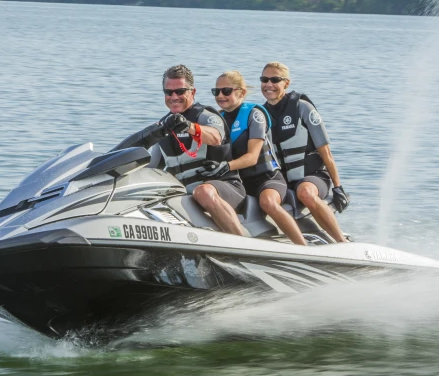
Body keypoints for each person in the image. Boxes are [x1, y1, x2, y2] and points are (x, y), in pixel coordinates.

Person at [150, 64, 246, 236]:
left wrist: (189, 127)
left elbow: (215, 136)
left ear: (191, 92)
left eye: (180, 91)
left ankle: (244, 246)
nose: (174, 96)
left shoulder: (206, 116)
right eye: (168, 92)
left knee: (203, 192)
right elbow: (151, 168)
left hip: (224, 188)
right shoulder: (164, 127)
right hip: (186, 196)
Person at [213, 71, 307, 246]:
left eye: (226, 91)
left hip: (267, 178)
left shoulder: (254, 114)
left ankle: (304, 248)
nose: (220, 96)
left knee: (267, 202)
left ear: (241, 92)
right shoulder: (217, 119)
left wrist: (225, 166)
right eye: (216, 92)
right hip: (239, 183)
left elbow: (252, 158)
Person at [261, 61, 350, 243]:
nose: (268, 84)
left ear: (286, 83)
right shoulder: (261, 114)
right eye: (264, 79)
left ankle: (342, 242)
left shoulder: (302, 107)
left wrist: (338, 187)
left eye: (275, 79)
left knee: (305, 193)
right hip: (284, 181)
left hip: (314, 177)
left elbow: (326, 152)